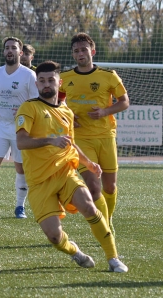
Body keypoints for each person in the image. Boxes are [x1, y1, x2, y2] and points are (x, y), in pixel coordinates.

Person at [15, 60, 128, 273]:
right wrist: (50, 140)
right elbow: (21, 142)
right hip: (39, 182)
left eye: (50, 80)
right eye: (42, 81)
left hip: (65, 172)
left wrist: (88, 163)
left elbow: (71, 143)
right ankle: (75, 252)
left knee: (89, 206)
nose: (46, 84)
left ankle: (113, 259)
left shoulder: (66, 111)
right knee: (55, 237)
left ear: (60, 82)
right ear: (37, 84)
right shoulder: (29, 108)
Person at [59, 32, 130, 233]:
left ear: (92, 51)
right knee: (92, 185)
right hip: (81, 139)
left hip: (106, 136)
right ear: (73, 55)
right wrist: (68, 116)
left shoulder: (108, 76)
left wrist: (105, 111)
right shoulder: (64, 78)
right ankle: (104, 228)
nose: (80, 53)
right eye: (76, 51)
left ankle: (108, 218)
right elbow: (54, 103)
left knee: (109, 187)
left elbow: (125, 102)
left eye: (83, 49)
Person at [0, 36, 39, 219]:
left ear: (20, 52)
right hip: (0, 126)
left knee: (21, 168)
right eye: (7, 48)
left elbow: (37, 101)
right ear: (4, 52)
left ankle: (20, 207)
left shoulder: (29, 75)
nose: (10, 51)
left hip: (21, 128)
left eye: (13, 48)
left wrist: (25, 109)